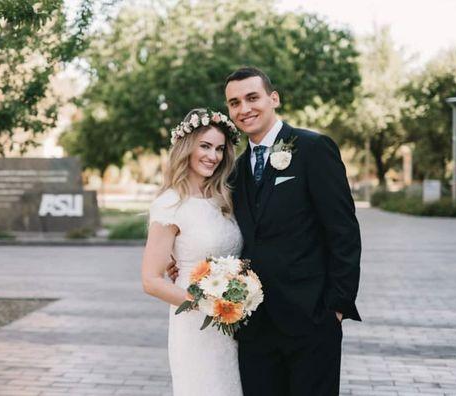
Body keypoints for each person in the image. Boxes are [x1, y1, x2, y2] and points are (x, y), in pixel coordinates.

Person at [167, 66, 362, 395]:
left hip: (311, 320)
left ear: (274, 98)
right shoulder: (235, 169)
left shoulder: (314, 149)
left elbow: (343, 232)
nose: (244, 109)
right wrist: (182, 257)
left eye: (252, 98)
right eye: (234, 102)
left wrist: (337, 308)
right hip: (253, 327)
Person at [141, 108, 244, 396]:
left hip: (233, 321)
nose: (213, 156)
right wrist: (207, 305)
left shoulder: (223, 198)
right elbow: (151, 280)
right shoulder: (170, 204)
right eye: (205, 146)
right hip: (195, 322)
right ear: (187, 147)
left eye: (220, 149)